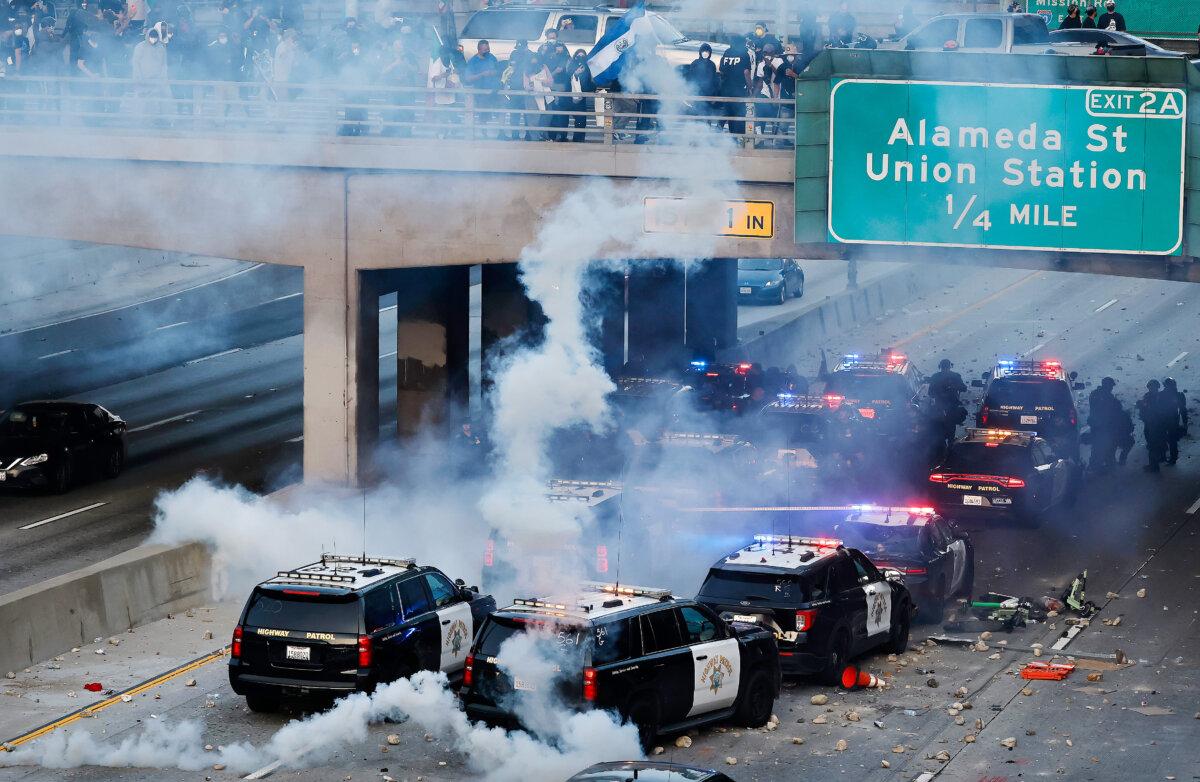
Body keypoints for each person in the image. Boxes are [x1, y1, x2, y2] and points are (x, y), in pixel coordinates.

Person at [462, 39, 501, 134]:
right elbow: (468, 78)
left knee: (500, 111)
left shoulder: (492, 58)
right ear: (479, 50)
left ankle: (500, 133)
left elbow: (498, 71)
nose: (488, 51)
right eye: (485, 50)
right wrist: (482, 74)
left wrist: (492, 73)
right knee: (483, 114)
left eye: (488, 49)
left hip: (494, 91)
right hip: (481, 93)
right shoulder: (473, 61)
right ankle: (483, 133)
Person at [717, 35, 752, 139]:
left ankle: (718, 130)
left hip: (726, 88)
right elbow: (746, 72)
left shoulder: (727, 52)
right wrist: (750, 86)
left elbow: (721, 69)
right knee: (739, 114)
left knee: (727, 111)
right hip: (739, 89)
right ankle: (737, 138)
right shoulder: (744, 54)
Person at [1087, 377, 1121, 471]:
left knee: (1103, 444)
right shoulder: (1101, 395)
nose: (1112, 388)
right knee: (1099, 445)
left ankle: (1102, 463)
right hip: (1100, 425)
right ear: (1106, 385)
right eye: (1111, 386)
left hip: (1101, 424)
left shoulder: (1102, 394)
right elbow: (1104, 410)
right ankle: (1096, 465)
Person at [1137, 379, 1165, 472]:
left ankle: (1154, 466)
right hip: (1158, 424)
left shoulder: (1149, 397)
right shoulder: (1161, 396)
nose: (1152, 389)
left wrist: (1141, 406)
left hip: (1153, 424)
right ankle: (1160, 458)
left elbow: (1144, 408)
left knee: (1152, 445)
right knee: (1159, 442)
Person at [565, 48, 593, 142]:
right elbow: (568, 77)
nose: (581, 57)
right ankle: (562, 136)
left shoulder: (588, 67)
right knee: (565, 118)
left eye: (583, 55)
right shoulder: (571, 65)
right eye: (579, 55)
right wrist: (576, 73)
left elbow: (589, 81)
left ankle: (578, 140)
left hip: (582, 97)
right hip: (569, 96)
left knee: (581, 120)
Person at [686, 41, 718, 119]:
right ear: (700, 52)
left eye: (707, 51)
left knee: (707, 115)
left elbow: (714, 80)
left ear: (710, 53)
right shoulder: (695, 63)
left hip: (708, 94)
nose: (705, 53)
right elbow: (690, 79)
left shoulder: (712, 64)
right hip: (697, 93)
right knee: (696, 114)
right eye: (704, 51)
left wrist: (714, 95)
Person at [1160, 377, 1188, 465]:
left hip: (1170, 420)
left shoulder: (1177, 395)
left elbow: (1183, 409)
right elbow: (1183, 409)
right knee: (1167, 439)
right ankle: (1168, 457)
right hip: (1166, 420)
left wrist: (1185, 422)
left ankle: (1170, 458)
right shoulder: (1177, 395)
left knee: (1170, 440)